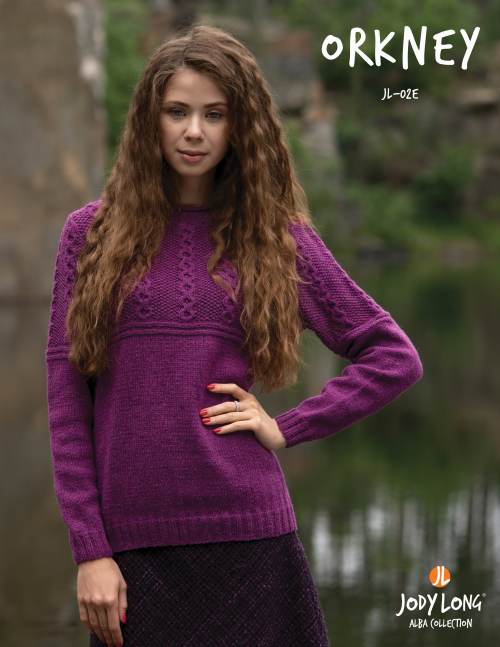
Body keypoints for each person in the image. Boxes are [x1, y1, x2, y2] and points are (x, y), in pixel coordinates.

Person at [45, 23, 424, 647]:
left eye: (214, 114)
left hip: (251, 542)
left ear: (240, 126)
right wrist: (91, 551)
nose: (194, 131)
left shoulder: (275, 238)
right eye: (177, 112)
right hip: (132, 554)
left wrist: (287, 426)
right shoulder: (89, 236)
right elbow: (67, 404)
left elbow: (393, 356)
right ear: (149, 120)